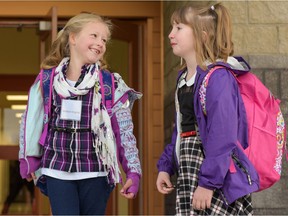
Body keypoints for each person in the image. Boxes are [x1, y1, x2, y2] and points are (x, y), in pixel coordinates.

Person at [19, 12, 142, 215]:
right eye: (94, 35)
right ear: (73, 38)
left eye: (104, 39)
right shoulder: (47, 80)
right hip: (57, 168)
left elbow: (125, 133)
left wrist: (133, 172)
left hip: (96, 170)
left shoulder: (109, 84)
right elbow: (29, 121)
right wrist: (28, 159)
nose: (100, 43)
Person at [156, 3, 259, 215]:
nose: (170, 34)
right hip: (190, 167)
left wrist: (208, 183)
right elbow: (180, 132)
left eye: (178, 28)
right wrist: (166, 167)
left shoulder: (218, 77)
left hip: (212, 173)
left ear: (202, 35)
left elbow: (223, 135)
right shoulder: (183, 79)